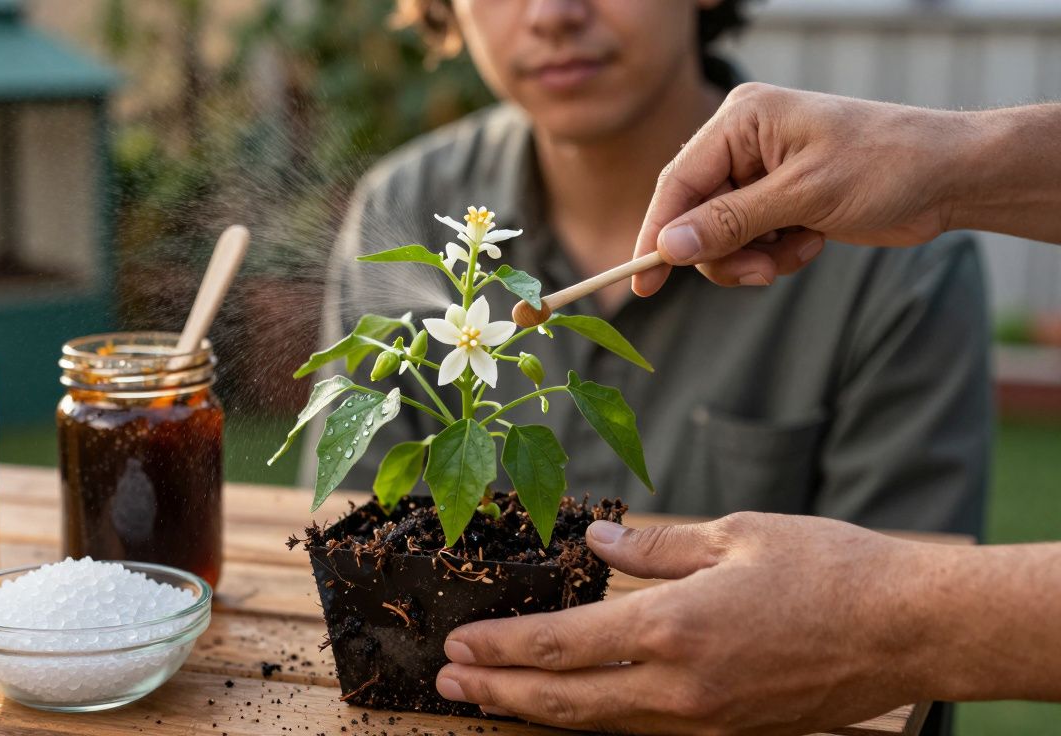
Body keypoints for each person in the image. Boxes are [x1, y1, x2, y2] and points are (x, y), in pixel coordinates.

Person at [434, 86, 1061, 735]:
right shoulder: (416, 191)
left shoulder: (897, 275)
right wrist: (944, 161)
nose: (552, 12)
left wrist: (886, 625)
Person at [316, 0, 993, 541]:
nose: (552, 13)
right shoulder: (403, 211)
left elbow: (901, 632)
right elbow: (359, 541)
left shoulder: (889, 253)